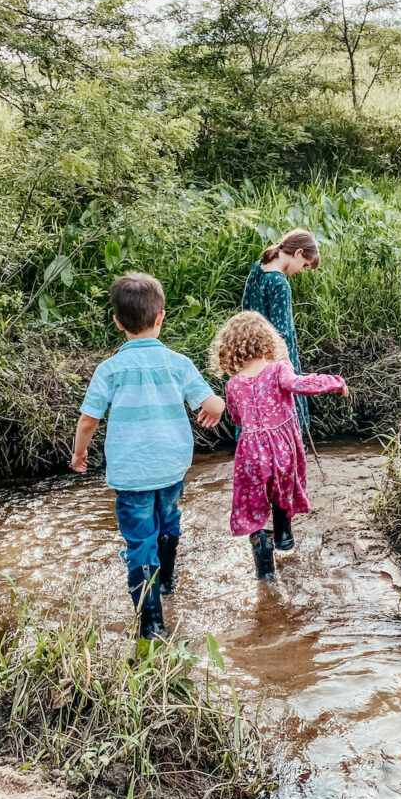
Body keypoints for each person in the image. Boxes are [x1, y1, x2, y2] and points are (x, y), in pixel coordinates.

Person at [70, 272, 225, 638]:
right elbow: (211, 401)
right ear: (161, 318)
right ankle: (167, 581)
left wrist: (79, 455)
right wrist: (216, 407)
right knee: (169, 520)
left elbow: (88, 420)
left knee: (140, 540)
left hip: (131, 472)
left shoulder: (109, 369)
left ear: (118, 322)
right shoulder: (179, 363)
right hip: (172, 466)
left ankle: (151, 621)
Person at [209, 311, 348, 580]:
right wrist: (334, 382)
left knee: (254, 504)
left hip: (250, 452)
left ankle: (265, 573)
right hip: (282, 448)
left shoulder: (233, 384)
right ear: (267, 341)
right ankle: (285, 541)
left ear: (230, 348)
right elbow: (299, 384)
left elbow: (237, 417)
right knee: (281, 491)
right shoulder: (278, 368)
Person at [241, 229, 320, 433]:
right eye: (304, 265)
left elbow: (245, 308)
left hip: (251, 352)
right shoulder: (279, 283)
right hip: (277, 356)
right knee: (287, 417)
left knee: (257, 412)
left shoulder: (257, 268)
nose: (300, 271)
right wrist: (288, 365)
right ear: (298, 252)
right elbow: (282, 331)